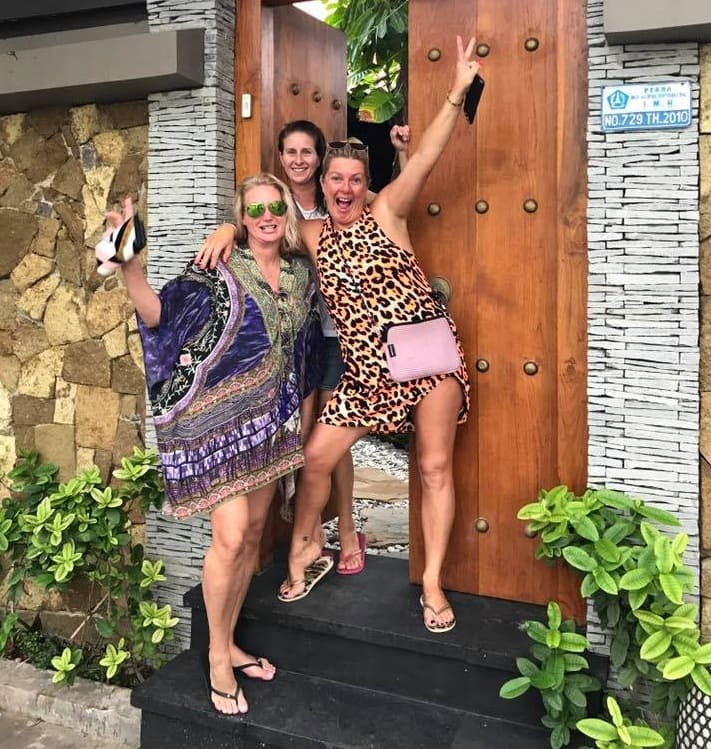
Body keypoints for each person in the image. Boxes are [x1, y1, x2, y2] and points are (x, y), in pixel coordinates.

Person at [197, 36, 480, 634]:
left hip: (425, 358)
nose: (345, 188)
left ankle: (432, 582)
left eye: (355, 179)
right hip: (365, 372)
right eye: (335, 180)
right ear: (322, 186)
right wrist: (228, 226)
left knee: (434, 468)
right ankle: (305, 547)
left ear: (366, 184)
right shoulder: (311, 235)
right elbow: (265, 215)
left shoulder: (388, 213)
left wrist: (456, 92)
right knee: (316, 459)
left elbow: (427, 157)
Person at [107, 174, 325, 714]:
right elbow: (159, 317)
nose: (267, 217)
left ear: (287, 214)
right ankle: (216, 657)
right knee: (228, 539)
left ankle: (228, 643)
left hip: (271, 431)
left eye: (276, 208)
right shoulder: (217, 267)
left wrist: (301, 421)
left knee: (250, 537)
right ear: (242, 218)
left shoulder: (301, 275)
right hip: (218, 428)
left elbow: (303, 352)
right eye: (255, 210)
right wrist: (131, 264)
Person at [277, 119, 410, 574]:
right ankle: (306, 534)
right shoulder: (277, 203)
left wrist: (402, 155)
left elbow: (396, 202)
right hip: (300, 335)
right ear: (281, 158)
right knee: (304, 436)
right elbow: (252, 226)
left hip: (340, 337)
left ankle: (348, 528)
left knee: (332, 435)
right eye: (290, 152)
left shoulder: (348, 196)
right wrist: (224, 231)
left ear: (319, 161)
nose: (298, 160)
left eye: (307, 152)